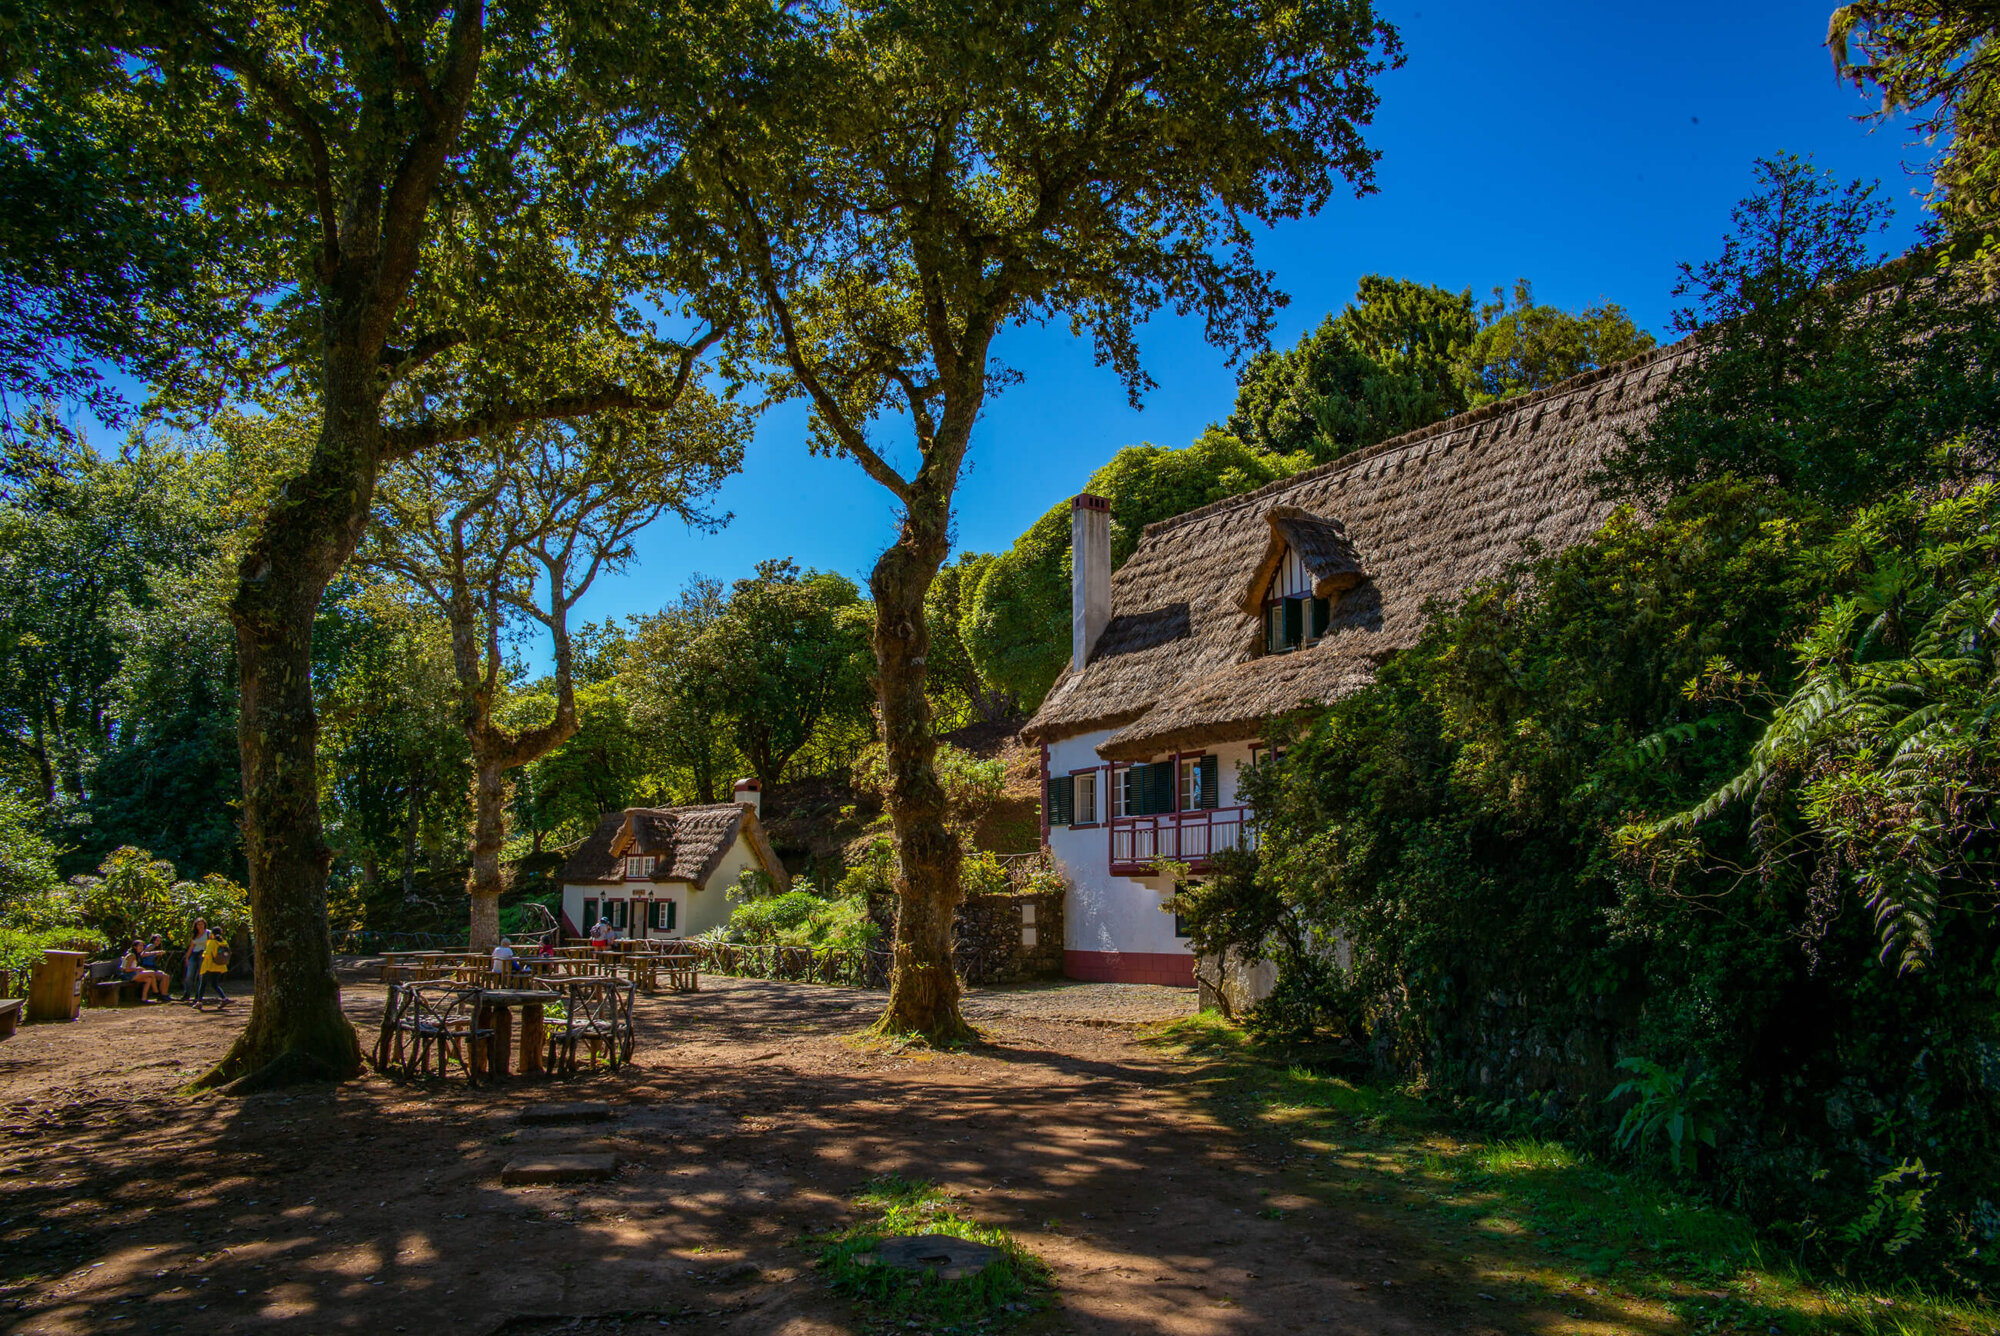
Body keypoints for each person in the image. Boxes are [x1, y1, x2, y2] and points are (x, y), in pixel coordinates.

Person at [194, 929, 231, 1009]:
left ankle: (199, 1002)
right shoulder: (224, 943)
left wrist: (202, 955)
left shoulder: (212, 942)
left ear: (212, 934)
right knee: (215, 984)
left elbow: (207, 954)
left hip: (209, 966)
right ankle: (224, 998)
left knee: (203, 984)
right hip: (220, 966)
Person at [182, 920, 209, 1006]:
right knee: (189, 975)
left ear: (204, 925)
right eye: (198, 924)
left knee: (200, 975)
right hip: (194, 954)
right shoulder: (195, 935)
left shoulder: (208, 933)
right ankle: (187, 993)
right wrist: (187, 957)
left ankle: (198, 996)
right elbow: (191, 946)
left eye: (201, 924)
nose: (200, 926)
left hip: (204, 954)